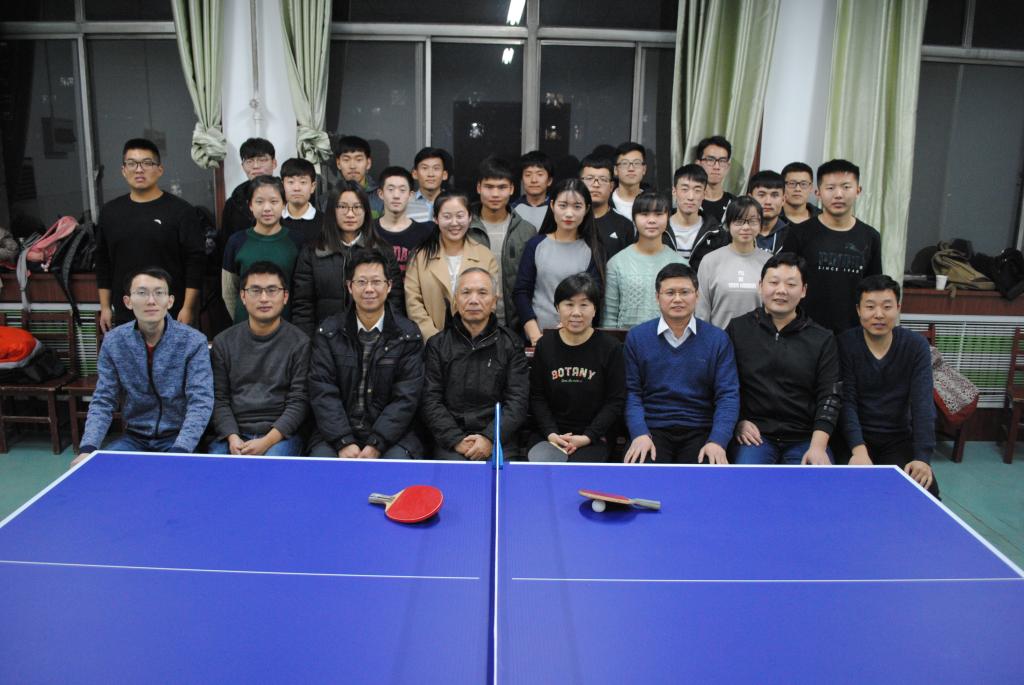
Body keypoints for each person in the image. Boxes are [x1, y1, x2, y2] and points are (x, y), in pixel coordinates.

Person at [73, 268, 213, 466]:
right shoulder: (114, 342)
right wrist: (88, 448)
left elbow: (200, 401)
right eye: (142, 293)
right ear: (128, 301)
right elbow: (104, 399)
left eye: (159, 293)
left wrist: (181, 449)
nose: (151, 301)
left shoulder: (193, 342)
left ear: (170, 301)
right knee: (97, 472)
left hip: (178, 439)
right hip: (134, 438)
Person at [307, 249, 425, 458]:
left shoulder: (408, 335)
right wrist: (343, 441)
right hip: (336, 433)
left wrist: (377, 443)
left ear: (389, 286)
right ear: (349, 287)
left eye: (376, 282)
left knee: (395, 466)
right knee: (323, 466)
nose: (369, 289)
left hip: (393, 436)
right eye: (361, 282)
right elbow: (323, 391)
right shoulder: (328, 332)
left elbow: (406, 397)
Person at [726, 253, 840, 465]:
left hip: (805, 437)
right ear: (760, 286)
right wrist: (738, 422)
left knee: (818, 481)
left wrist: (818, 446)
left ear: (803, 290)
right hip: (755, 435)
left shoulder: (823, 339)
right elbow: (724, 386)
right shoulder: (737, 329)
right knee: (747, 480)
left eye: (791, 284)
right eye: (774, 282)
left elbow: (830, 396)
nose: (781, 290)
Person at [623, 263, 739, 464]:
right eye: (670, 293)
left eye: (685, 292)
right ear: (657, 297)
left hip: (701, 429)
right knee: (642, 473)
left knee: (707, 475)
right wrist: (639, 433)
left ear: (697, 295)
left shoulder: (717, 339)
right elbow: (632, 392)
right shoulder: (637, 337)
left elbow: (728, 395)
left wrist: (717, 441)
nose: (677, 299)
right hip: (653, 428)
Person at [840, 275, 938, 496]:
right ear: (858, 310)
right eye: (870, 307)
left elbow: (923, 403)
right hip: (853, 438)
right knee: (849, 494)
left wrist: (922, 457)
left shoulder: (916, 346)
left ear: (898, 308)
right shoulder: (845, 343)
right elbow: (847, 402)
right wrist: (858, 449)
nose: (879, 314)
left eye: (887, 307)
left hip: (898, 438)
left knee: (925, 493)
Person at [95, 138, 205, 331]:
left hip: (171, 311)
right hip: (126, 312)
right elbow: (103, 262)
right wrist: (105, 307)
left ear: (159, 169)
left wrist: (188, 307)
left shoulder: (181, 211)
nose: (139, 169)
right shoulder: (110, 212)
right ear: (123, 170)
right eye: (132, 163)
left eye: (147, 163)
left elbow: (195, 262)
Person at [421, 267, 529, 460]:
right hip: (450, 441)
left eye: (482, 293)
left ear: (494, 300)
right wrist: (456, 440)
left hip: (499, 439)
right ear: (455, 299)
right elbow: (430, 400)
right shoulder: (437, 345)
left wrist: (489, 438)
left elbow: (517, 402)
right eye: (466, 292)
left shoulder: (511, 344)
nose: (473, 300)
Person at [210, 261, 309, 456]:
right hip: (234, 433)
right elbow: (219, 399)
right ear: (243, 296)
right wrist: (232, 436)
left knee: (270, 467)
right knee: (218, 467)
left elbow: (299, 401)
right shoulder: (223, 342)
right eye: (255, 291)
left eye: (272, 290)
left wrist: (266, 441)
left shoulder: (300, 343)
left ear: (285, 296)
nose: (264, 298)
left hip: (280, 436)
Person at [529, 274, 625, 462]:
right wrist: (551, 433)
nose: (576, 312)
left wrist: (588, 436)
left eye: (584, 305)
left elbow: (615, 401)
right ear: (557, 307)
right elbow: (537, 396)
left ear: (595, 309)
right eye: (569, 304)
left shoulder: (610, 348)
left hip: (593, 436)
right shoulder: (545, 346)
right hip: (550, 435)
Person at [781, 159, 882, 335]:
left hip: (853, 332)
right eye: (830, 188)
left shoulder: (870, 236)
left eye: (846, 187)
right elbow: (786, 282)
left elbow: (874, 289)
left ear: (858, 191)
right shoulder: (799, 233)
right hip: (804, 331)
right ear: (818, 192)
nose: (838, 194)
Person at [291, 181, 401, 337]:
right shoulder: (312, 252)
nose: (350, 214)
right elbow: (303, 306)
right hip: (325, 341)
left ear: (366, 211)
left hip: (373, 340)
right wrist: (310, 344)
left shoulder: (382, 250)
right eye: (342, 207)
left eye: (357, 207)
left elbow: (395, 301)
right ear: (332, 211)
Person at [514, 178, 605, 345]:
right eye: (563, 205)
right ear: (552, 205)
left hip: (578, 337)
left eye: (577, 206)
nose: (569, 213)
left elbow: (594, 297)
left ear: (586, 209)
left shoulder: (593, 249)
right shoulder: (536, 245)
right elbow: (521, 292)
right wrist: (535, 335)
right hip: (537, 336)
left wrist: (565, 329)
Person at [405, 191, 500, 340]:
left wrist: (471, 335)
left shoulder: (485, 256)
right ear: (436, 219)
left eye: (460, 216)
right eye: (447, 216)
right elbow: (413, 302)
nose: (454, 223)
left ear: (470, 218)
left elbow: (492, 300)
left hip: (475, 341)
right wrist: (434, 338)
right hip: (430, 342)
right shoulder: (420, 257)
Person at [221, 176, 303, 323]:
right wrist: (241, 322)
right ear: (250, 205)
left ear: (284, 204)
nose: (267, 208)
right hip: (245, 325)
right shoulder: (236, 241)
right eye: (259, 202)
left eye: (274, 201)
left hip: (287, 326)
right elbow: (229, 291)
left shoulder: (297, 241)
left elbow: (303, 292)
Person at [469, 156, 537, 331]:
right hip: (471, 322)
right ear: (478, 188)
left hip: (515, 325)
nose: (495, 194)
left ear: (512, 189)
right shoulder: (465, 228)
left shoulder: (527, 231)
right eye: (489, 187)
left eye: (502, 187)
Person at [603, 192, 684, 329]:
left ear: (667, 218)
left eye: (658, 214)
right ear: (634, 218)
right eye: (644, 214)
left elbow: (685, 312)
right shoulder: (617, 263)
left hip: (669, 338)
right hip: (626, 339)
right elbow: (609, 317)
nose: (651, 220)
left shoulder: (680, 264)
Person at [696, 196, 772, 329]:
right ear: (728, 224)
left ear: (761, 225)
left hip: (759, 339)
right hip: (719, 338)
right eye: (739, 221)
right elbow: (702, 310)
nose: (746, 227)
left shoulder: (770, 262)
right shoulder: (710, 261)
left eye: (752, 221)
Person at [373, 166, 434, 278]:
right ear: (381, 194)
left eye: (402, 190)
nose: (396, 196)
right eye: (390, 189)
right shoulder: (369, 230)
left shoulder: (425, 232)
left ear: (410, 196)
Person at [666, 164, 726, 268]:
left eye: (697, 190)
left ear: (704, 194)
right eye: (685, 189)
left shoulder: (716, 234)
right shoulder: (660, 229)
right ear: (674, 191)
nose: (691, 197)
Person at [580, 154, 634, 260]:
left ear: (611, 186)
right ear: (580, 183)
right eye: (589, 178)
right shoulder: (570, 220)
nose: (596, 185)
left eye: (603, 179)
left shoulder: (624, 225)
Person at [222, 137, 277, 238]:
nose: (256, 166)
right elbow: (227, 241)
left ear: (274, 163)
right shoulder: (233, 203)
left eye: (262, 160)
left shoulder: (288, 196)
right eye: (249, 161)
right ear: (243, 166)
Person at [334, 135, 383, 217]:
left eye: (359, 159)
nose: (352, 166)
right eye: (346, 160)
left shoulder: (382, 197)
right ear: (338, 163)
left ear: (368, 163)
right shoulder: (325, 201)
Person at [695, 135, 735, 223]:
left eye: (722, 161)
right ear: (698, 164)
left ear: (728, 166)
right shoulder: (690, 202)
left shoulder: (735, 205)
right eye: (710, 160)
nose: (716, 167)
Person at [280, 157, 319, 246]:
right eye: (291, 182)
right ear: (282, 186)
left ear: (312, 187)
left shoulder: (325, 223)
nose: (296, 188)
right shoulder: (274, 220)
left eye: (303, 182)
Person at [748, 170, 789, 254]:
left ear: (783, 200)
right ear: (750, 199)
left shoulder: (793, 236)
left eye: (774, 195)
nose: (768, 202)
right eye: (761, 195)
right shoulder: (735, 233)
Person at [407, 146, 450, 223]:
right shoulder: (405, 202)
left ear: (444, 175)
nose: (431, 174)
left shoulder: (453, 202)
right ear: (415, 174)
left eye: (436, 168)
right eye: (425, 168)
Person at [513, 150, 554, 229]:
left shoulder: (557, 209)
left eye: (540, 174)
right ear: (522, 180)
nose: (534, 180)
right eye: (528, 175)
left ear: (549, 181)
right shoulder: (512, 209)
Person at [610, 142, 648, 220]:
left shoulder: (654, 202)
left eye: (636, 163)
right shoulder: (605, 202)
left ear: (644, 169)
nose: (631, 168)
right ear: (615, 170)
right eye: (625, 163)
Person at [779, 161, 821, 226]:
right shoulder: (772, 217)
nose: (797, 189)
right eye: (792, 183)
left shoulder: (822, 217)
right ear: (782, 186)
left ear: (811, 188)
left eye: (803, 184)